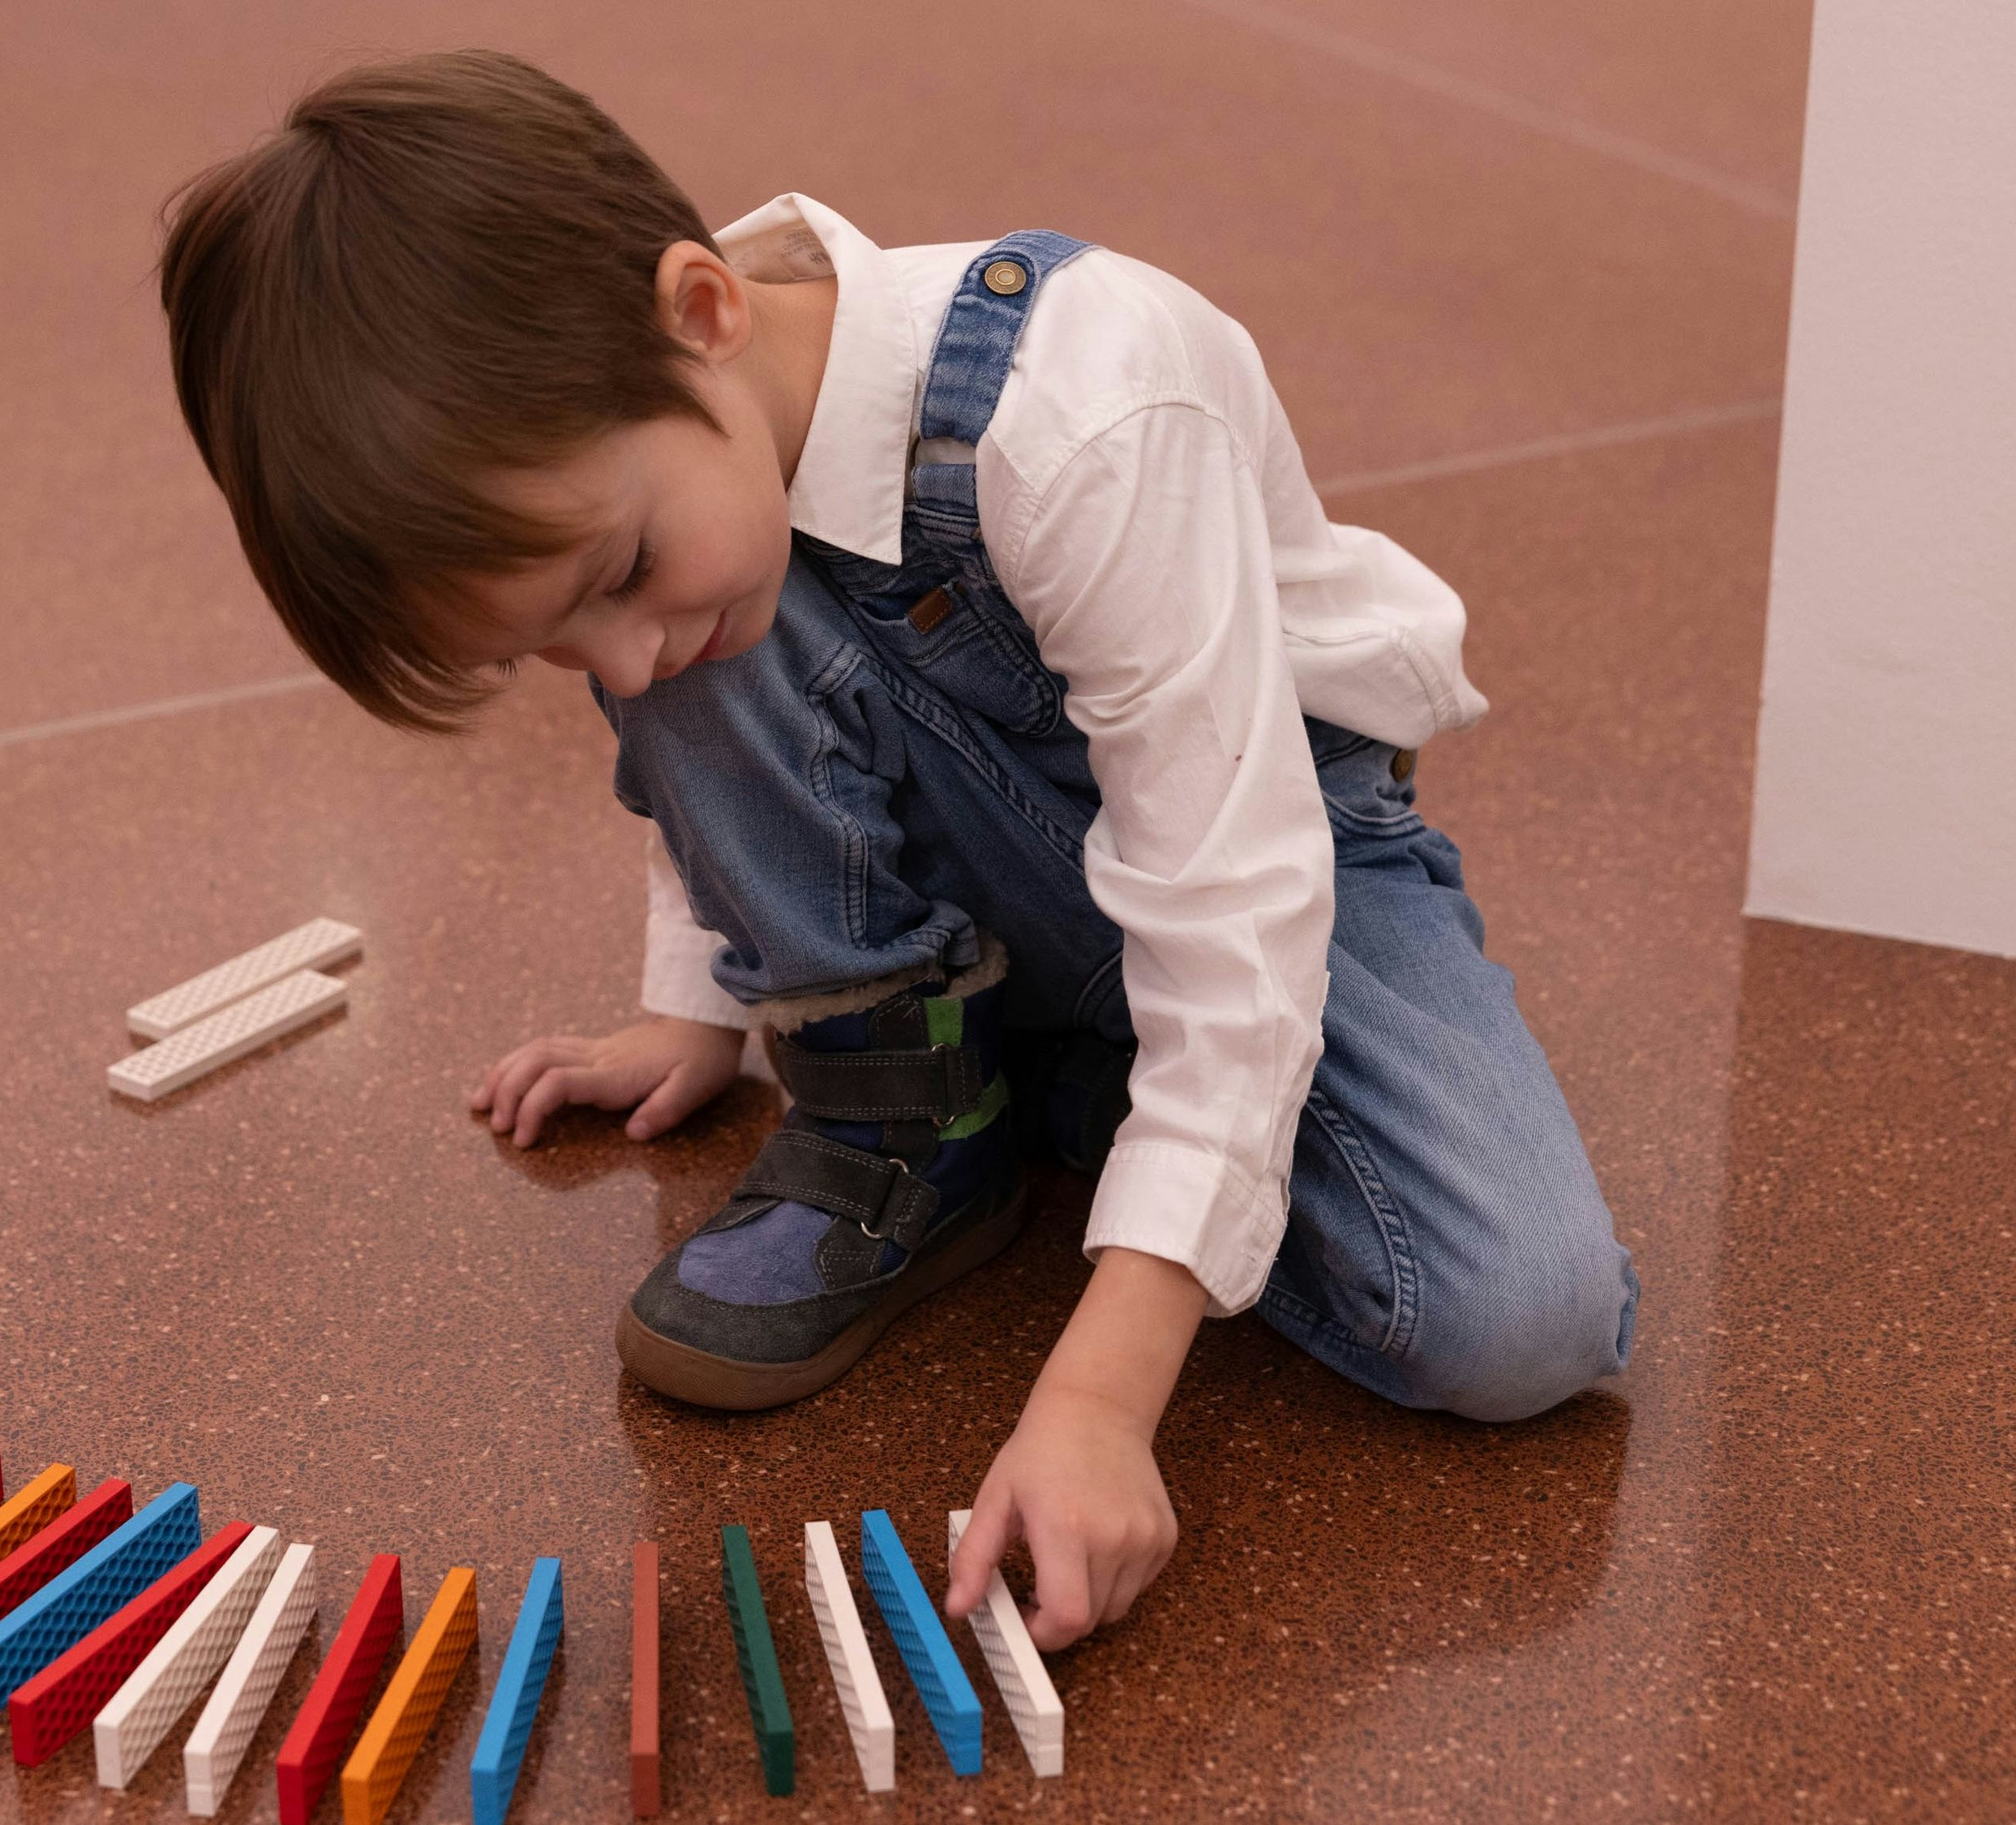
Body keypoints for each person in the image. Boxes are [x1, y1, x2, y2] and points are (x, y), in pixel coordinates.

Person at [158, 49, 1636, 1647]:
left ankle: (1049, 1086)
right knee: (725, 619)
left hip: (1275, 851)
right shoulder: (669, 478)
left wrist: (1098, 1396)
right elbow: (717, 701)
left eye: (615, 570)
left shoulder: (1085, 406)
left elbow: (1232, 907)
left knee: (1516, 1328)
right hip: (1019, 870)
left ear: (702, 311)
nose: (623, 663)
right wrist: (697, 1002)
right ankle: (908, 1097)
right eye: (553, 645)